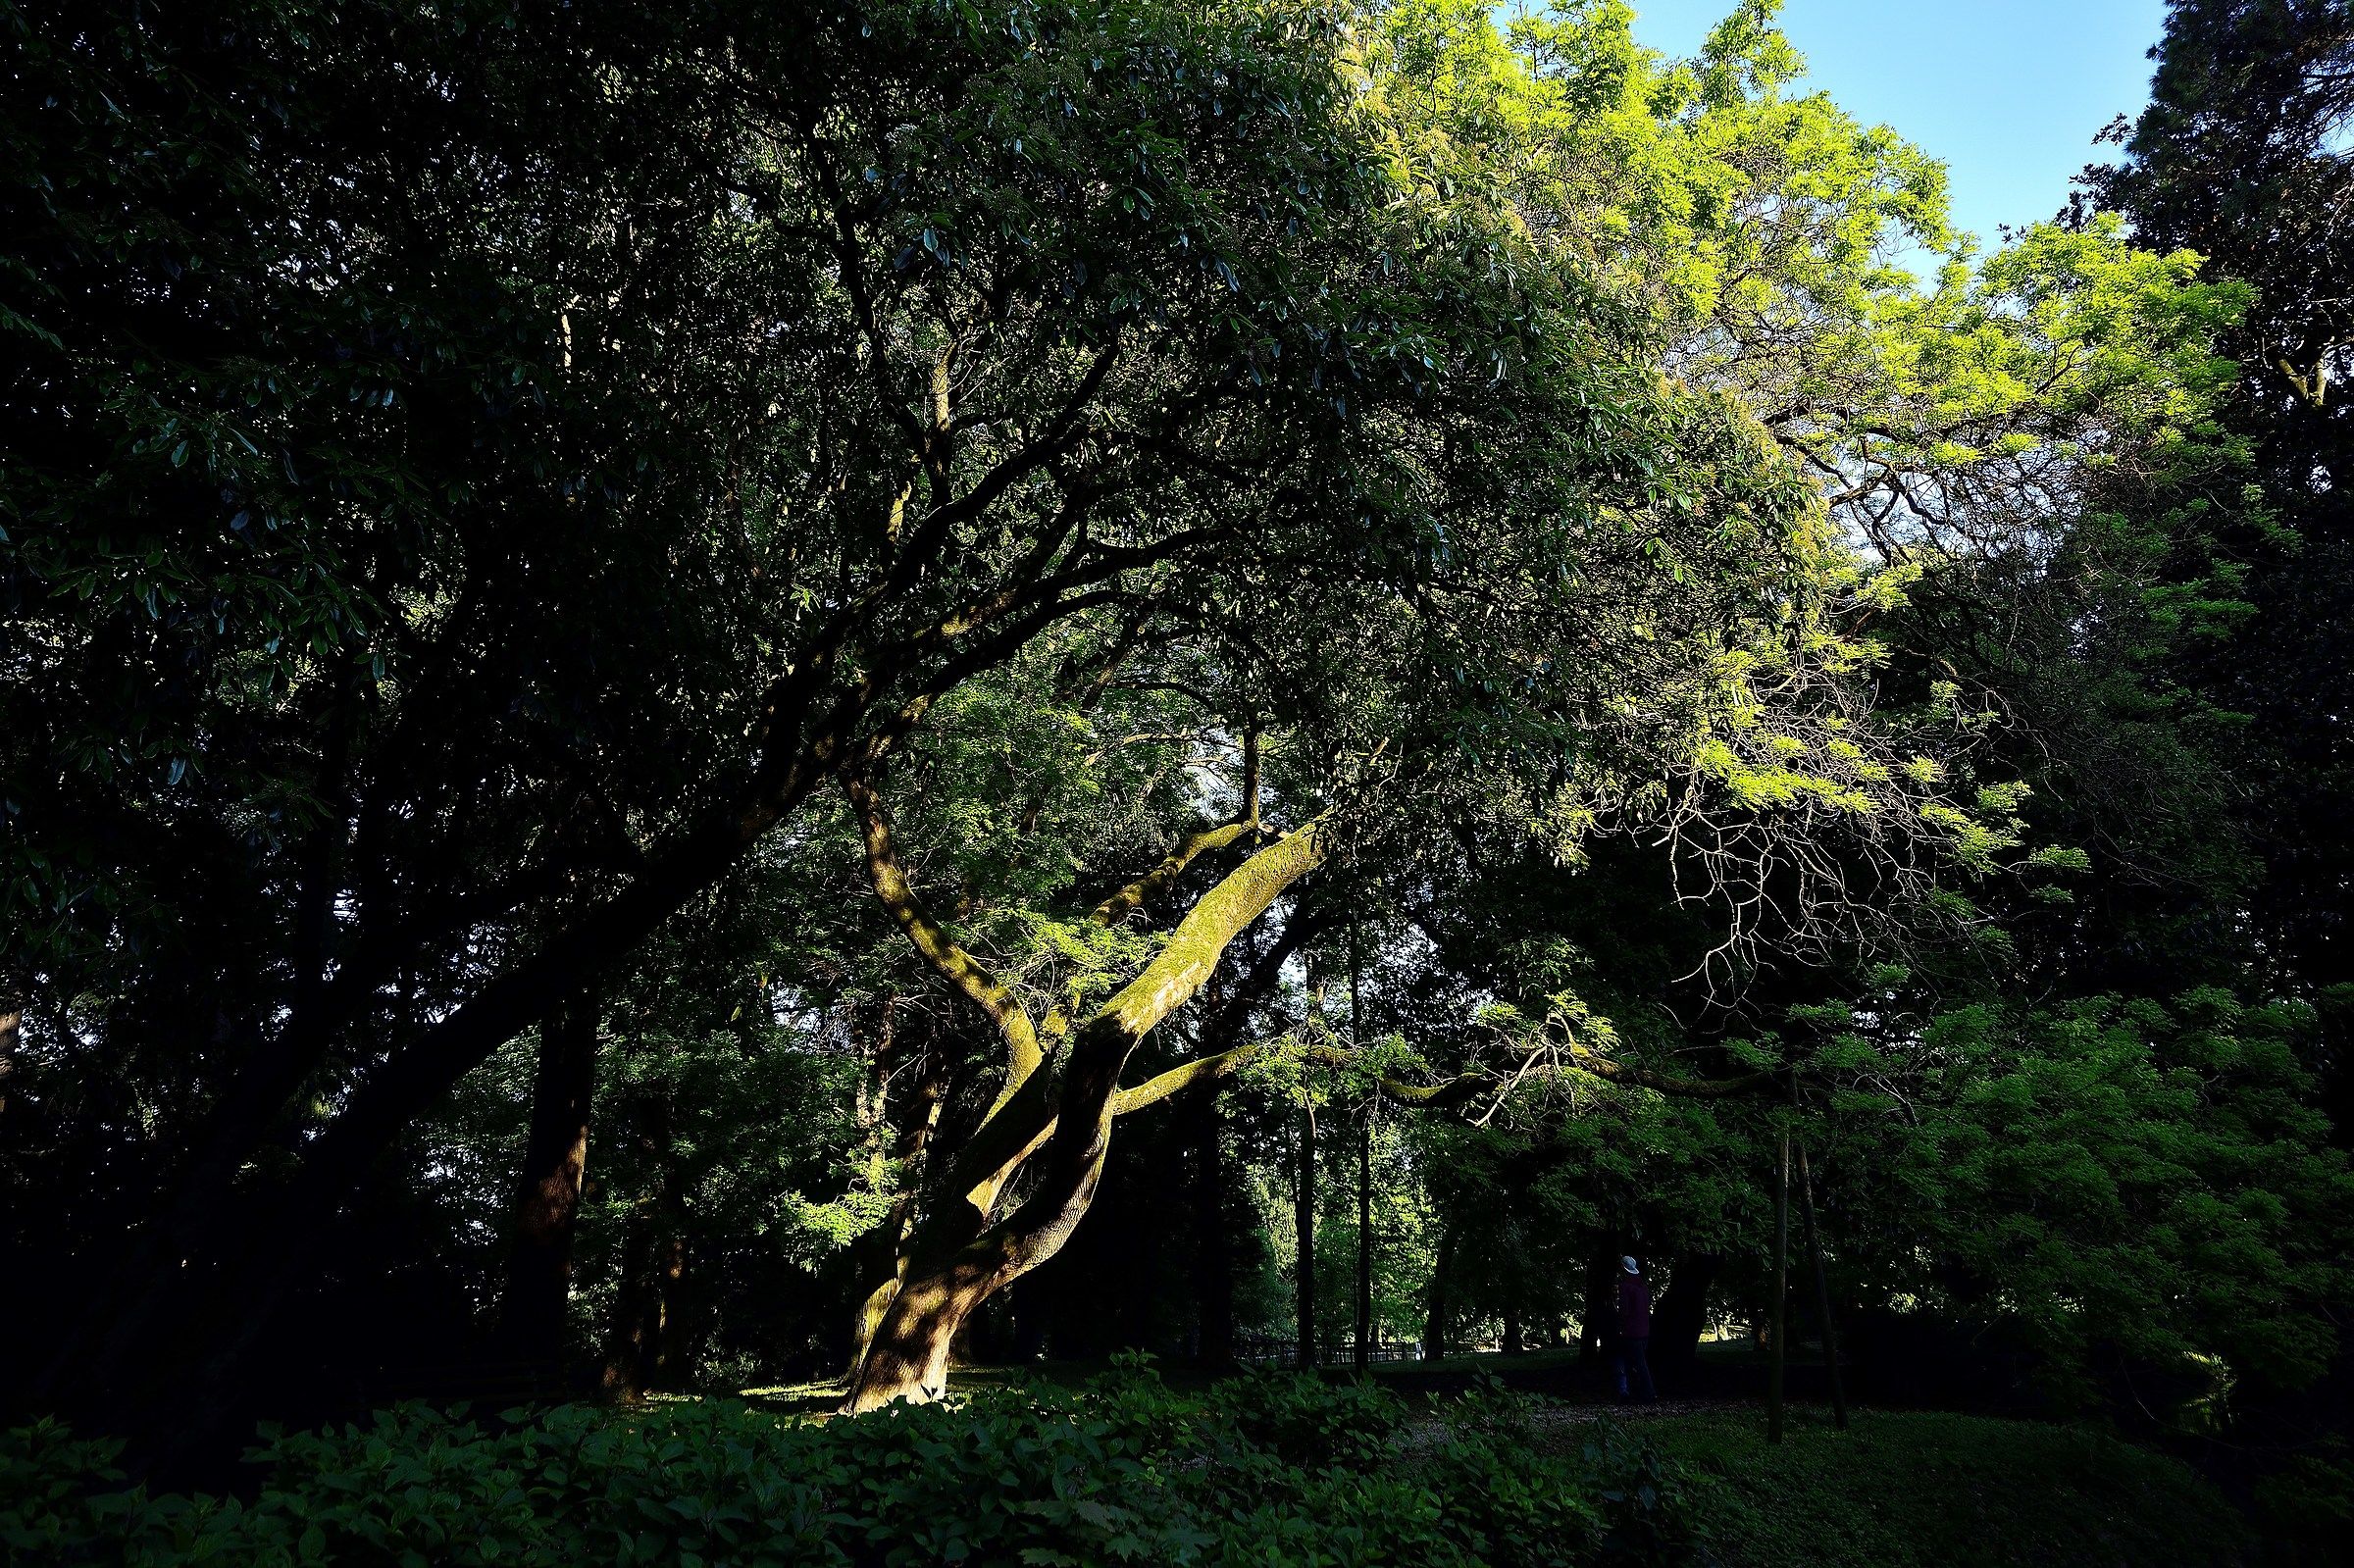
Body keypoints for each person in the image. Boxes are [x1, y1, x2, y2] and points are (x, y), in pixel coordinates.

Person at [1614, 1255, 1657, 1403]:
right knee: (1638, 1362)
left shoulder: (1625, 1286)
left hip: (1631, 1331)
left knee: (1633, 1363)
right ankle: (1639, 1392)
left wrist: (1620, 1325)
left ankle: (1644, 1393)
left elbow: (1624, 1310)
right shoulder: (1642, 1286)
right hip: (1644, 1330)